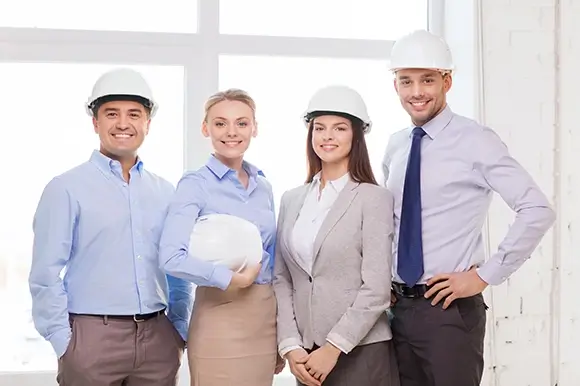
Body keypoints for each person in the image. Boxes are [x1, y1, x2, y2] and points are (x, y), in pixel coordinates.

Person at [383, 29, 556, 386]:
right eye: (406, 81)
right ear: (396, 86)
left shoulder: (475, 140)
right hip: (397, 309)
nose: (416, 92)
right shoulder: (396, 146)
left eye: (427, 80)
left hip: (448, 312)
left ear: (447, 81)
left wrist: (483, 276)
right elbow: (394, 224)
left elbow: (537, 209)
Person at [28, 68, 193, 386]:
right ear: (95, 122)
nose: (123, 123)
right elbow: (45, 274)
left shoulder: (166, 191)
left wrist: (178, 328)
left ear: (148, 122)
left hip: (159, 339)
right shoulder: (65, 188)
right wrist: (67, 345)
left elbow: (178, 271)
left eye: (134, 114)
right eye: (111, 113)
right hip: (90, 339)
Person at [273, 85, 399, 386]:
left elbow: (377, 288)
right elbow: (282, 278)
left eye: (339, 128)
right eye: (320, 128)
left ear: (356, 135)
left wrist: (333, 348)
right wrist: (290, 345)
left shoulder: (374, 198)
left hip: (361, 352)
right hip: (306, 355)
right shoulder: (292, 199)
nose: (327, 136)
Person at [158, 88, 285, 386]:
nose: (232, 132)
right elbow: (171, 256)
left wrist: (283, 333)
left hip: (265, 318)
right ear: (206, 128)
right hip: (219, 316)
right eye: (220, 123)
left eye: (242, 123)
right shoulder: (195, 184)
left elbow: (274, 259)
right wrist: (231, 279)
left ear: (255, 128)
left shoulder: (263, 186)